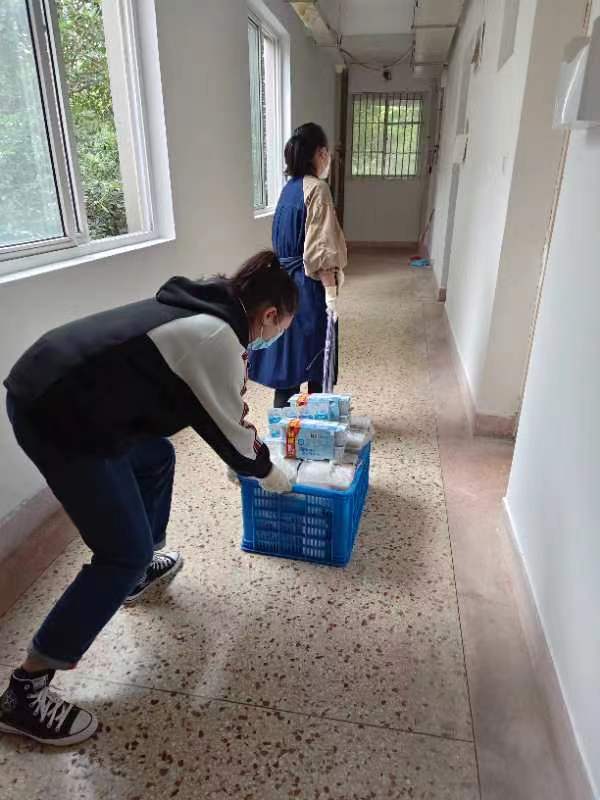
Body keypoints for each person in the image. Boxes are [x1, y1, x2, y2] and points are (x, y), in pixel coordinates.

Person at [0, 250, 297, 746]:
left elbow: (219, 414)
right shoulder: (213, 335)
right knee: (122, 552)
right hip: (55, 411)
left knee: (156, 455)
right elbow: (234, 434)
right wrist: (267, 471)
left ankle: (138, 574)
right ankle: (24, 692)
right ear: (269, 315)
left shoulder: (204, 306)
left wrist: (241, 453)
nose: (278, 335)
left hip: (62, 387)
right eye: (283, 326)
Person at [249, 122, 347, 408]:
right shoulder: (318, 189)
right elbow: (322, 252)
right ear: (320, 153)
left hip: (281, 284)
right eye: (327, 154)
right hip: (307, 288)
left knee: (289, 367)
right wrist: (331, 294)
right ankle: (316, 424)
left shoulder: (288, 190)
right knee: (317, 362)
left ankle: (283, 427)